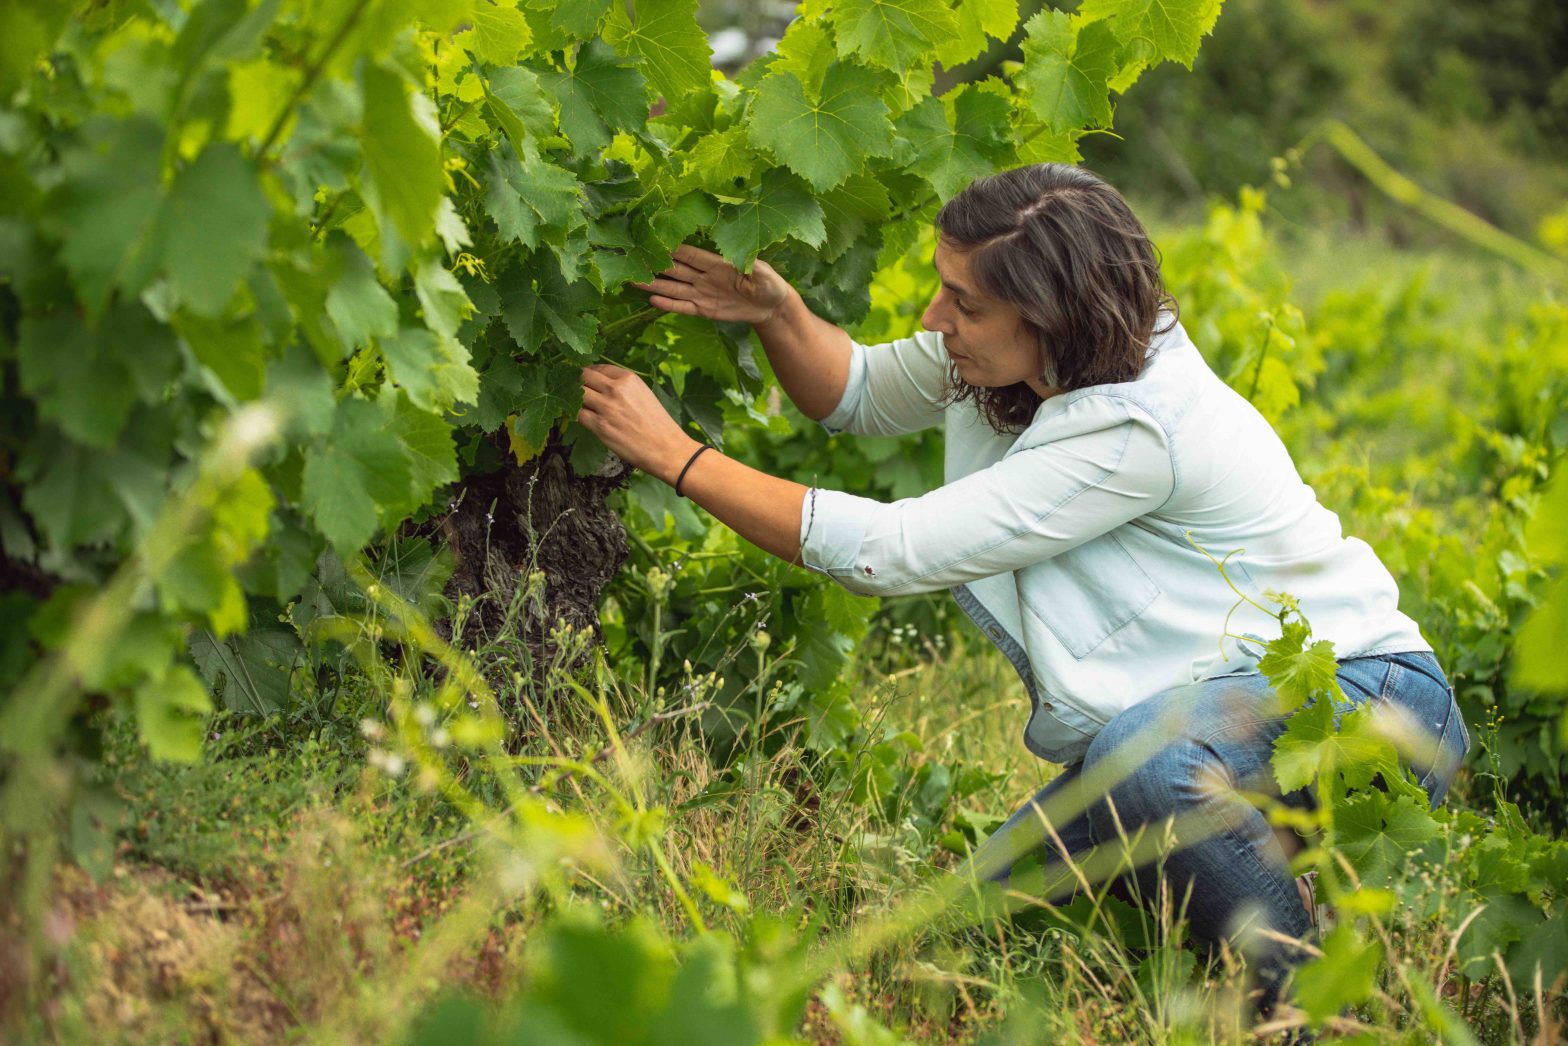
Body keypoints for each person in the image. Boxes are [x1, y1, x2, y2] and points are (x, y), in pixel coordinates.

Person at [575, 163, 1469, 1018]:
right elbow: (856, 393)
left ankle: (1311, 1005)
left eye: (964, 303)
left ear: (1050, 313)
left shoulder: (1135, 428)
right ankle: (1260, 881)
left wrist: (678, 458)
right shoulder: (1032, 359)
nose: (937, 317)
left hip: (1362, 701)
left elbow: (892, 550)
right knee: (960, 929)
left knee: (1146, 768)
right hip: (1198, 722)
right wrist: (776, 313)